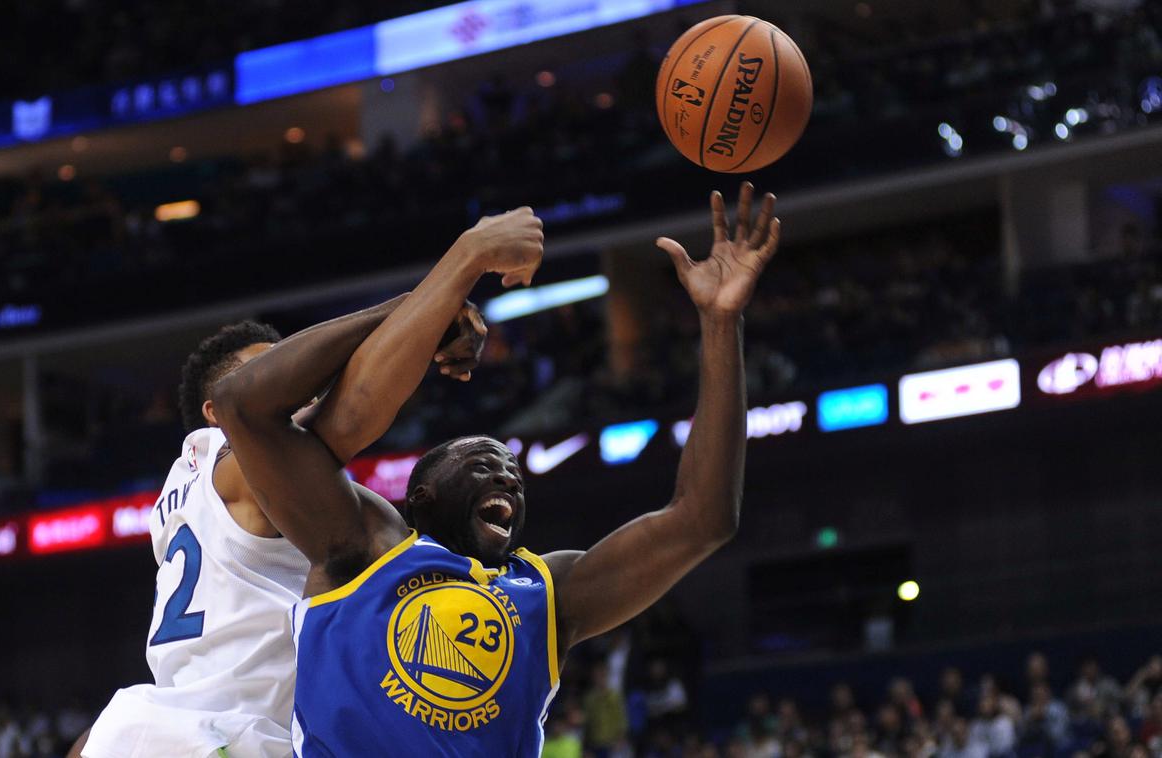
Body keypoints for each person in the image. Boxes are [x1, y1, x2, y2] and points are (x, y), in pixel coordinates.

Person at [212, 184, 780, 756]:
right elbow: (243, 406)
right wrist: (415, 301)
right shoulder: (363, 547)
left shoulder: (547, 593)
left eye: (513, 473)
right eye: (482, 464)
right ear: (423, 496)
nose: (507, 478)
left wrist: (720, 321)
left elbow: (702, 519)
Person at [71, 259, 493, 756]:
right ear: (217, 411)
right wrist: (435, 295)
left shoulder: (182, 487)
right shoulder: (236, 461)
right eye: (272, 374)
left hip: (145, 726)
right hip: (233, 735)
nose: (295, 387)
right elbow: (354, 406)